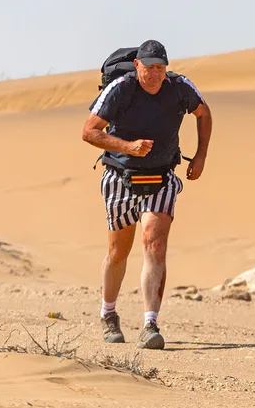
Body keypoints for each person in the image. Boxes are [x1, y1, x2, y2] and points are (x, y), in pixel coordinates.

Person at [81, 39, 212, 349]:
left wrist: (201, 155)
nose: (155, 74)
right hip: (120, 177)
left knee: (154, 242)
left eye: (160, 68)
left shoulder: (179, 87)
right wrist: (128, 147)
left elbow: (203, 113)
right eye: (149, 68)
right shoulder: (121, 89)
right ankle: (108, 313)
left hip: (162, 177)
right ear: (137, 66)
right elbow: (89, 131)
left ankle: (150, 323)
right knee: (118, 252)